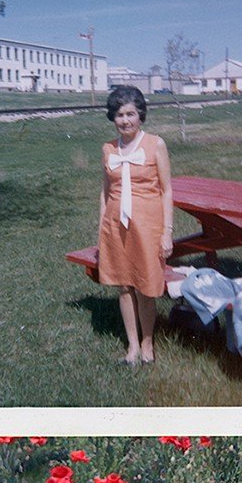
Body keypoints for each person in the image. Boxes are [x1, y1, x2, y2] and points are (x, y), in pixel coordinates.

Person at [97, 86, 174, 365]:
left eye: (130, 114)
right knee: (123, 286)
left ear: (140, 114)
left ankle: (147, 342)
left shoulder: (155, 144)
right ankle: (131, 345)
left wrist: (167, 233)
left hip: (148, 227)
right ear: (113, 118)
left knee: (145, 286)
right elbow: (105, 193)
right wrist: (101, 231)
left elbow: (166, 190)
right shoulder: (108, 149)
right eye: (119, 115)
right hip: (116, 227)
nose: (125, 120)